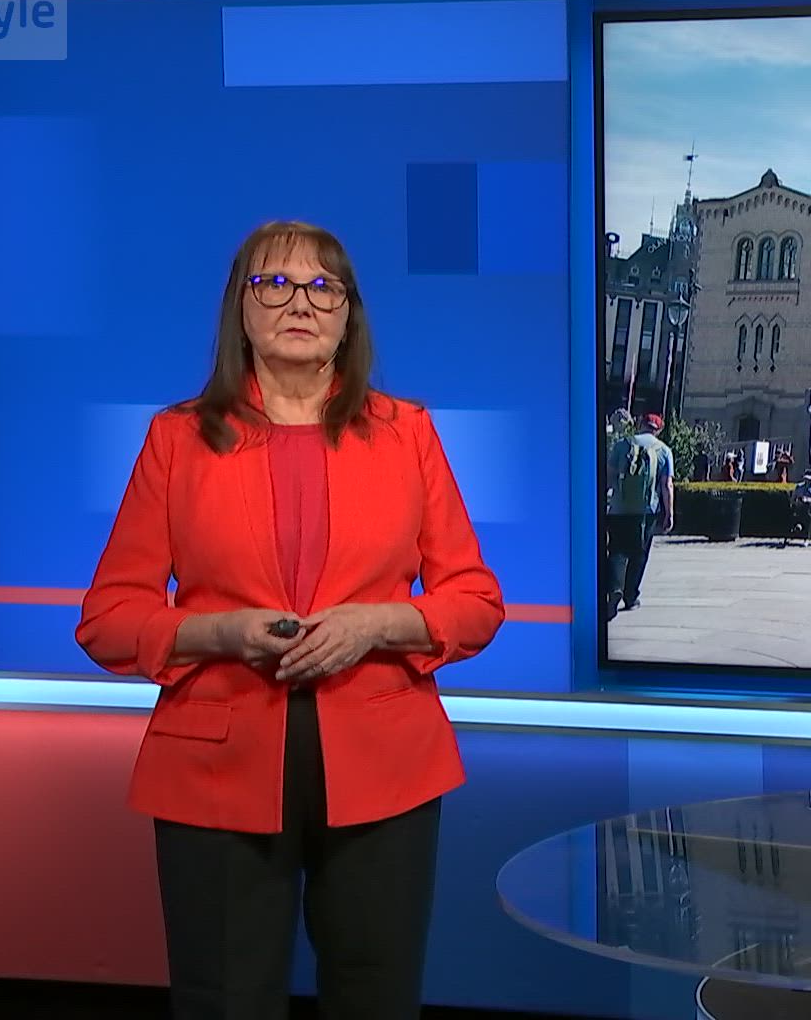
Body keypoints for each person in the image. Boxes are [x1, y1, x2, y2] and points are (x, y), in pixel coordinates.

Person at [75, 221, 505, 1020]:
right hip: (214, 766)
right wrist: (218, 633)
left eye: (321, 287)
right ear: (239, 309)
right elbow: (107, 617)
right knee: (224, 1002)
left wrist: (376, 624)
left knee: (376, 1001)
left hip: (386, 765)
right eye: (273, 284)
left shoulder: (407, 432)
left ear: (348, 315)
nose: (299, 303)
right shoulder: (177, 439)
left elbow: (475, 601)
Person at [607, 412, 675, 612]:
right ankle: (631, 596)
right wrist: (669, 513)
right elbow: (667, 485)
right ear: (658, 430)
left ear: (640, 424)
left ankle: (614, 588)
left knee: (617, 550)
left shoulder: (622, 445)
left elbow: (608, 476)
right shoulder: (664, 451)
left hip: (619, 509)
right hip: (646, 512)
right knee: (639, 554)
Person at [788, 470, 811, 547]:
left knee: (807, 515)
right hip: (800, 508)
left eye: (810, 479)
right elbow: (793, 499)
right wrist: (795, 503)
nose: (808, 481)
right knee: (800, 512)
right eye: (806, 479)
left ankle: (805, 537)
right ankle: (795, 529)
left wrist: (808, 500)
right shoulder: (799, 487)